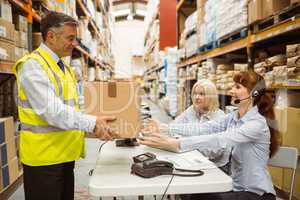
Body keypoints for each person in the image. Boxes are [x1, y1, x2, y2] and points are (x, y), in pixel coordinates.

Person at [13, 12, 116, 200]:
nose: (74, 43)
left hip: (65, 156)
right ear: (51, 36)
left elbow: (73, 110)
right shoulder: (32, 66)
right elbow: (53, 112)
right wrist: (93, 122)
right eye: (70, 38)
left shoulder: (65, 68)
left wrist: (99, 128)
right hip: (43, 161)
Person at [140, 71, 280, 200]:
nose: (231, 91)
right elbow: (204, 128)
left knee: (201, 197)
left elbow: (220, 140)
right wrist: (165, 127)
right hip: (236, 187)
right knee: (195, 193)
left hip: (256, 193)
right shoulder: (233, 117)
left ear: (254, 94)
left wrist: (177, 144)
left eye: (237, 87)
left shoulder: (256, 124)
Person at [142, 79, 230, 169]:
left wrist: (181, 143)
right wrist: (158, 131)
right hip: (191, 159)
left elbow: (214, 151)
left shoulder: (219, 117)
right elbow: (175, 126)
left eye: (202, 94)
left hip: (215, 166)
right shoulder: (191, 110)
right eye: (195, 93)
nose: (197, 97)